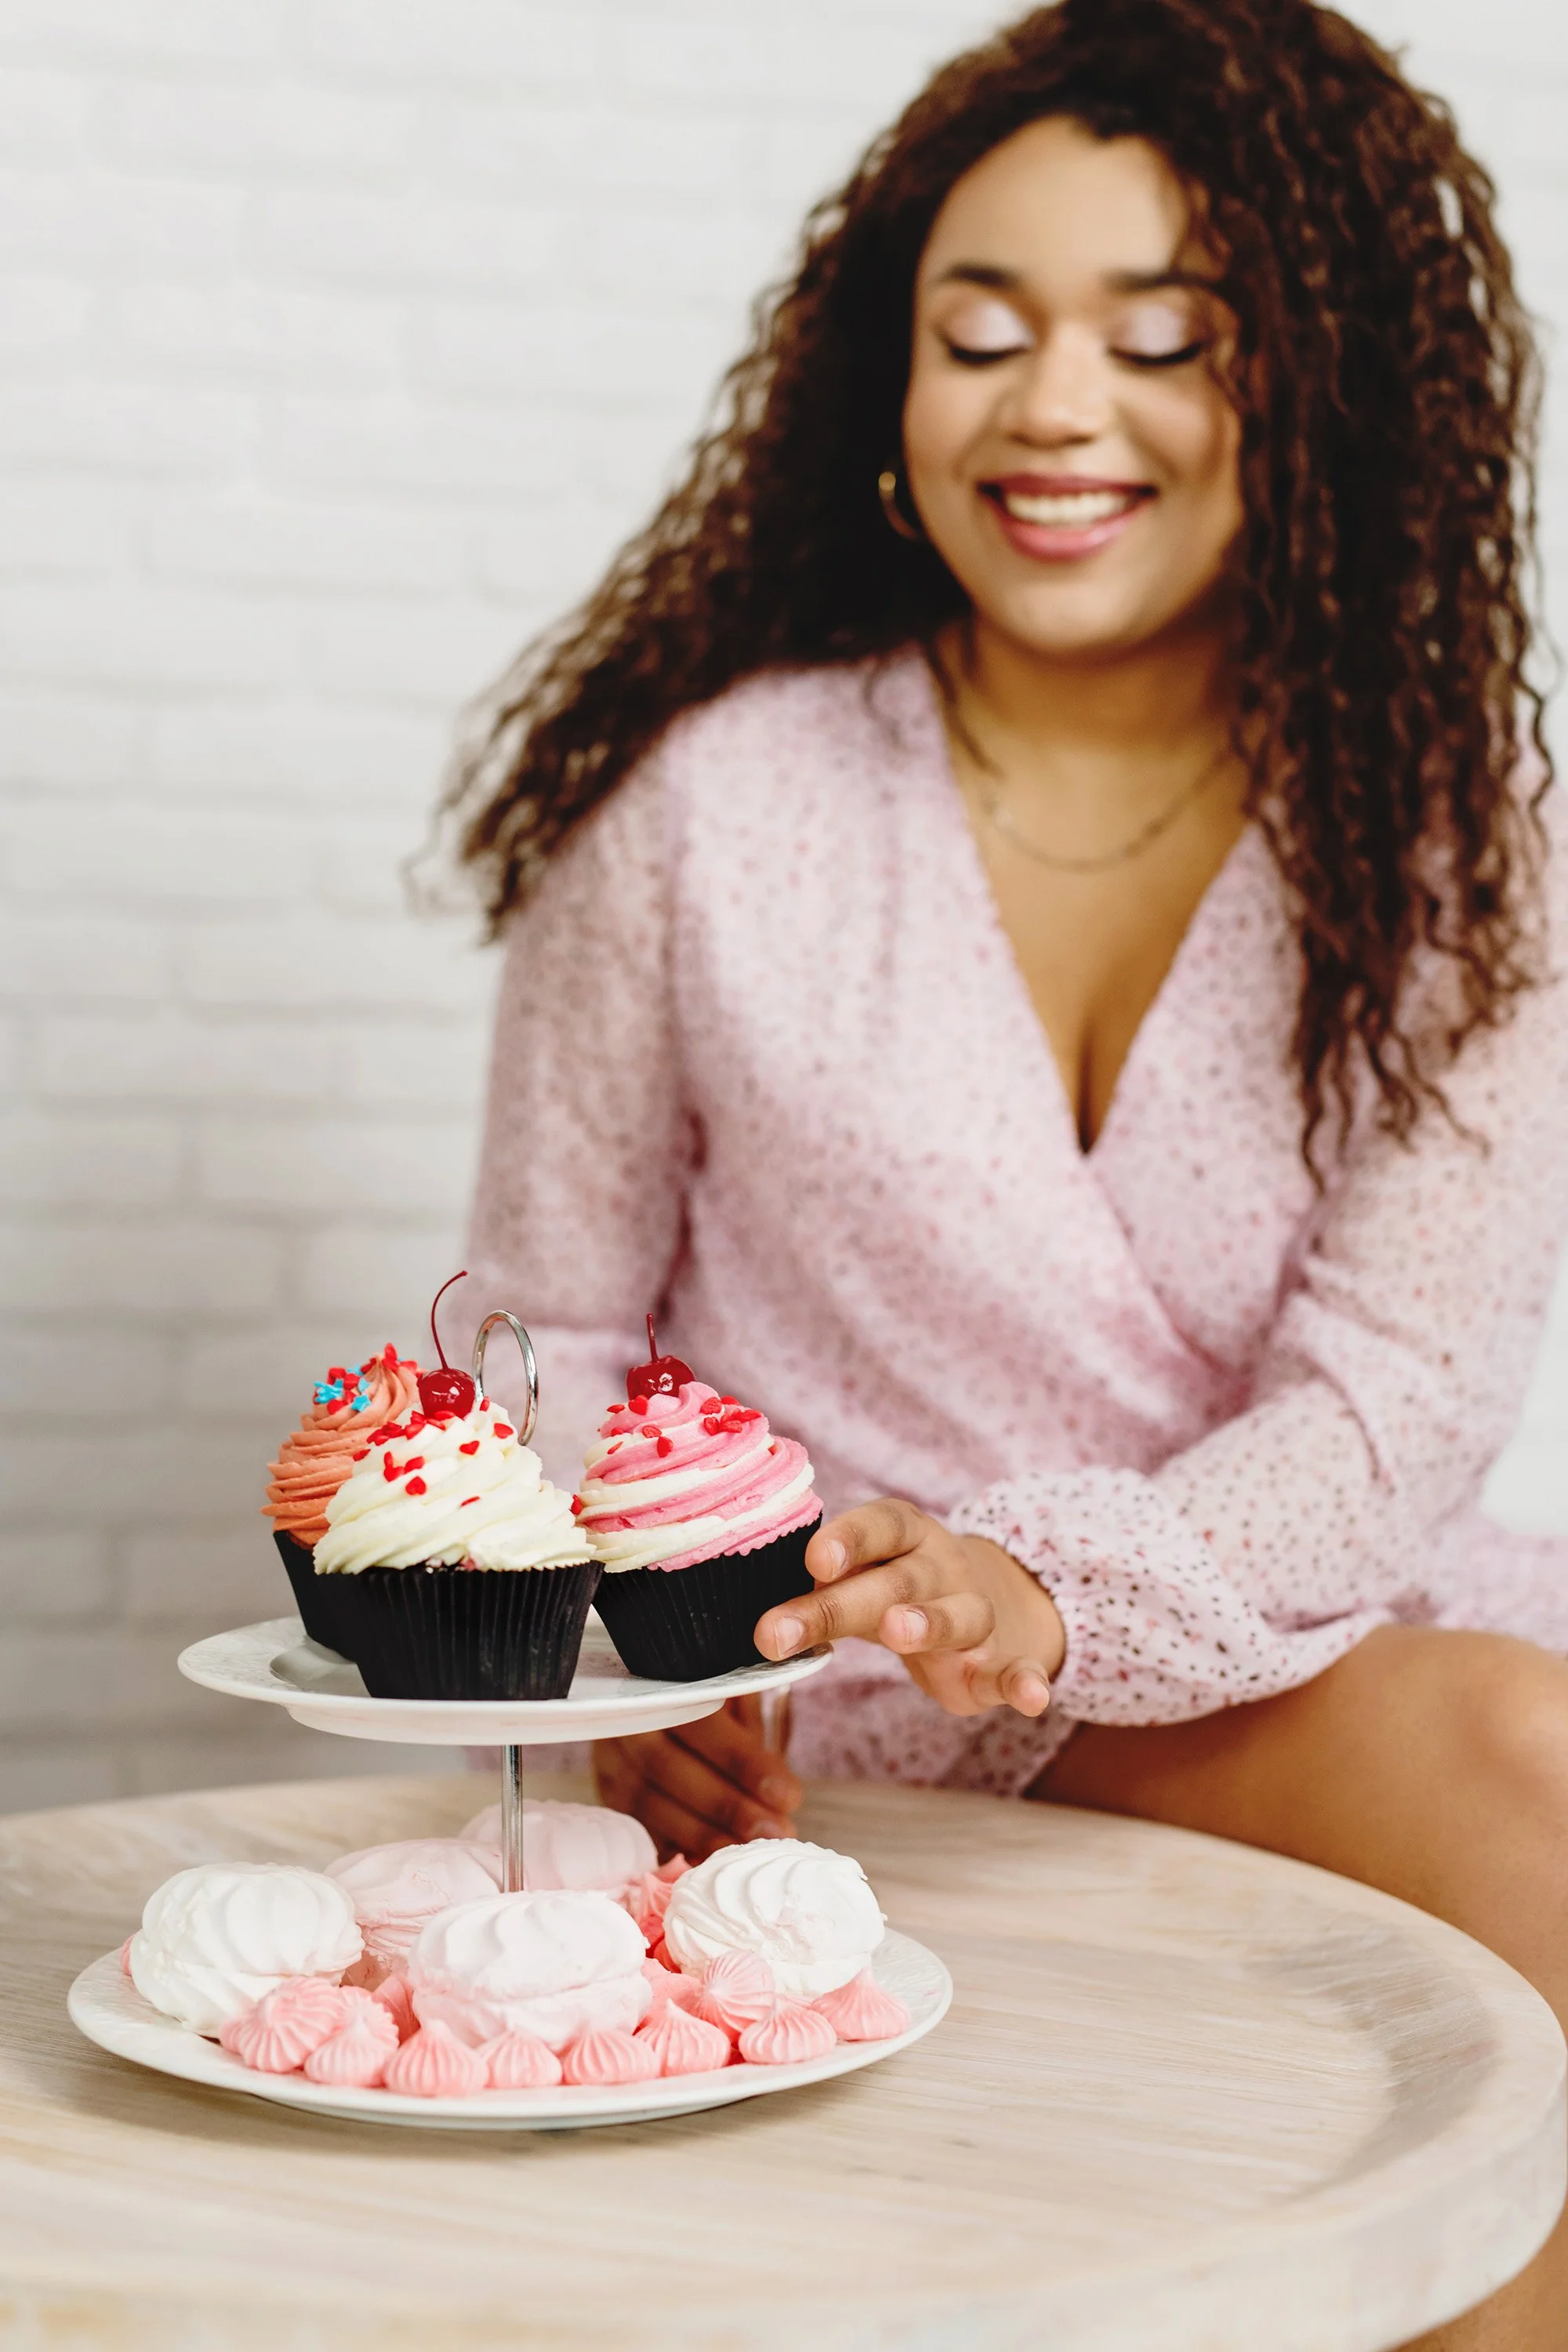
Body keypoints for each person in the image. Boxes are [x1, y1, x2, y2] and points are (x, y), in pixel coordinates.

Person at [445, 4, 1567, 2340]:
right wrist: (633, 1654)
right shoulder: (709, 815)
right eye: (981, 337)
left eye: (1169, 340)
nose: (1057, 409)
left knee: (1523, 1760)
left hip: (1249, 1670)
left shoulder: (1458, 865)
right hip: (796, 1703)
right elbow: (543, 1339)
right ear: (892, 386)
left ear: (1325, 397)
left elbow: (1392, 1414)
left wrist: (1042, 1594)